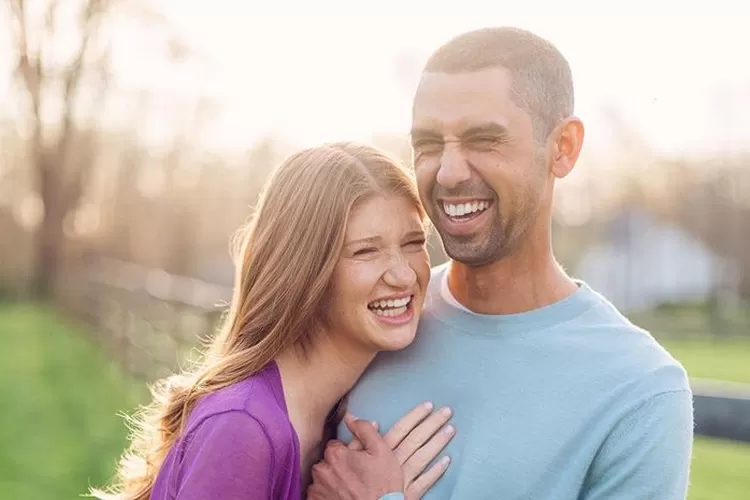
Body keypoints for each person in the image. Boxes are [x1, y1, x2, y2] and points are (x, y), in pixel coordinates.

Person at [307, 27, 694, 500]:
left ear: (564, 147)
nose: (448, 172)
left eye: (484, 140)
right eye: (428, 144)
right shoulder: (372, 320)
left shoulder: (639, 390)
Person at [88, 142, 456, 500]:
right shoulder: (242, 429)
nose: (405, 276)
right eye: (366, 250)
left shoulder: (336, 419)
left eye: (413, 242)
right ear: (303, 270)